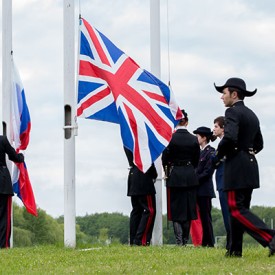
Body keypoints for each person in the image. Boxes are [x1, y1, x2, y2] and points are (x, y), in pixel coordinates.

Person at [214, 77, 275, 257]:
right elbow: (260, 143)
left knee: (235, 208)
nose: (221, 97)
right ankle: (234, 250)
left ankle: (271, 237)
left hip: (236, 165)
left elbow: (230, 137)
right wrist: (246, 152)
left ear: (234, 94)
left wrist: (219, 154)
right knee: (240, 210)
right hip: (249, 164)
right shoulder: (252, 114)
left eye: (224, 93)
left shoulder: (232, 113)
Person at [162, 109, 200, 245]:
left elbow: (165, 158)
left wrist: (168, 168)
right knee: (188, 209)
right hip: (189, 174)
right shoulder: (194, 139)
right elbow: (197, 160)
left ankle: (179, 241)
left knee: (176, 208)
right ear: (187, 122)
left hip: (175, 175)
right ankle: (185, 239)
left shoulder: (170, 138)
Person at [124, 146, 157, 246]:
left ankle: (134, 240)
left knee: (136, 210)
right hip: (144, 176)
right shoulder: (140, 141)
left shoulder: (129, 140)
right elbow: (147, 160)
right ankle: (141, 240)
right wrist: (154, 174)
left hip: (133, 175)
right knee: (149, 210)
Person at [193, 126, 216, 247]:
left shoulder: (211, 151)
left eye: (198, 136)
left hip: (204, 189)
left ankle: (209, 242)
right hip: (199, 190)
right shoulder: (200, 152)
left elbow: (208, 171)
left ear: (204, 137)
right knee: (202, 216)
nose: (196, 138)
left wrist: (194, 180)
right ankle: (205, 241)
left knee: (206, 217)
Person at [0, 135, 24, 248]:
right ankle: (3, 245)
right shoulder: (2, 140)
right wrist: (21, 157)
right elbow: (14, 157)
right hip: (2, 184)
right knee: (4, 217)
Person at [213, 116, 230, 250]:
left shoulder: (224, 143)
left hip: (224, 179)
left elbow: (215, 160)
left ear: (223, 128)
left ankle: (231, 242)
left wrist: (216, 160)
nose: (214, 129)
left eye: (216, 126)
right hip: (223, 178)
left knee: (227, 212)